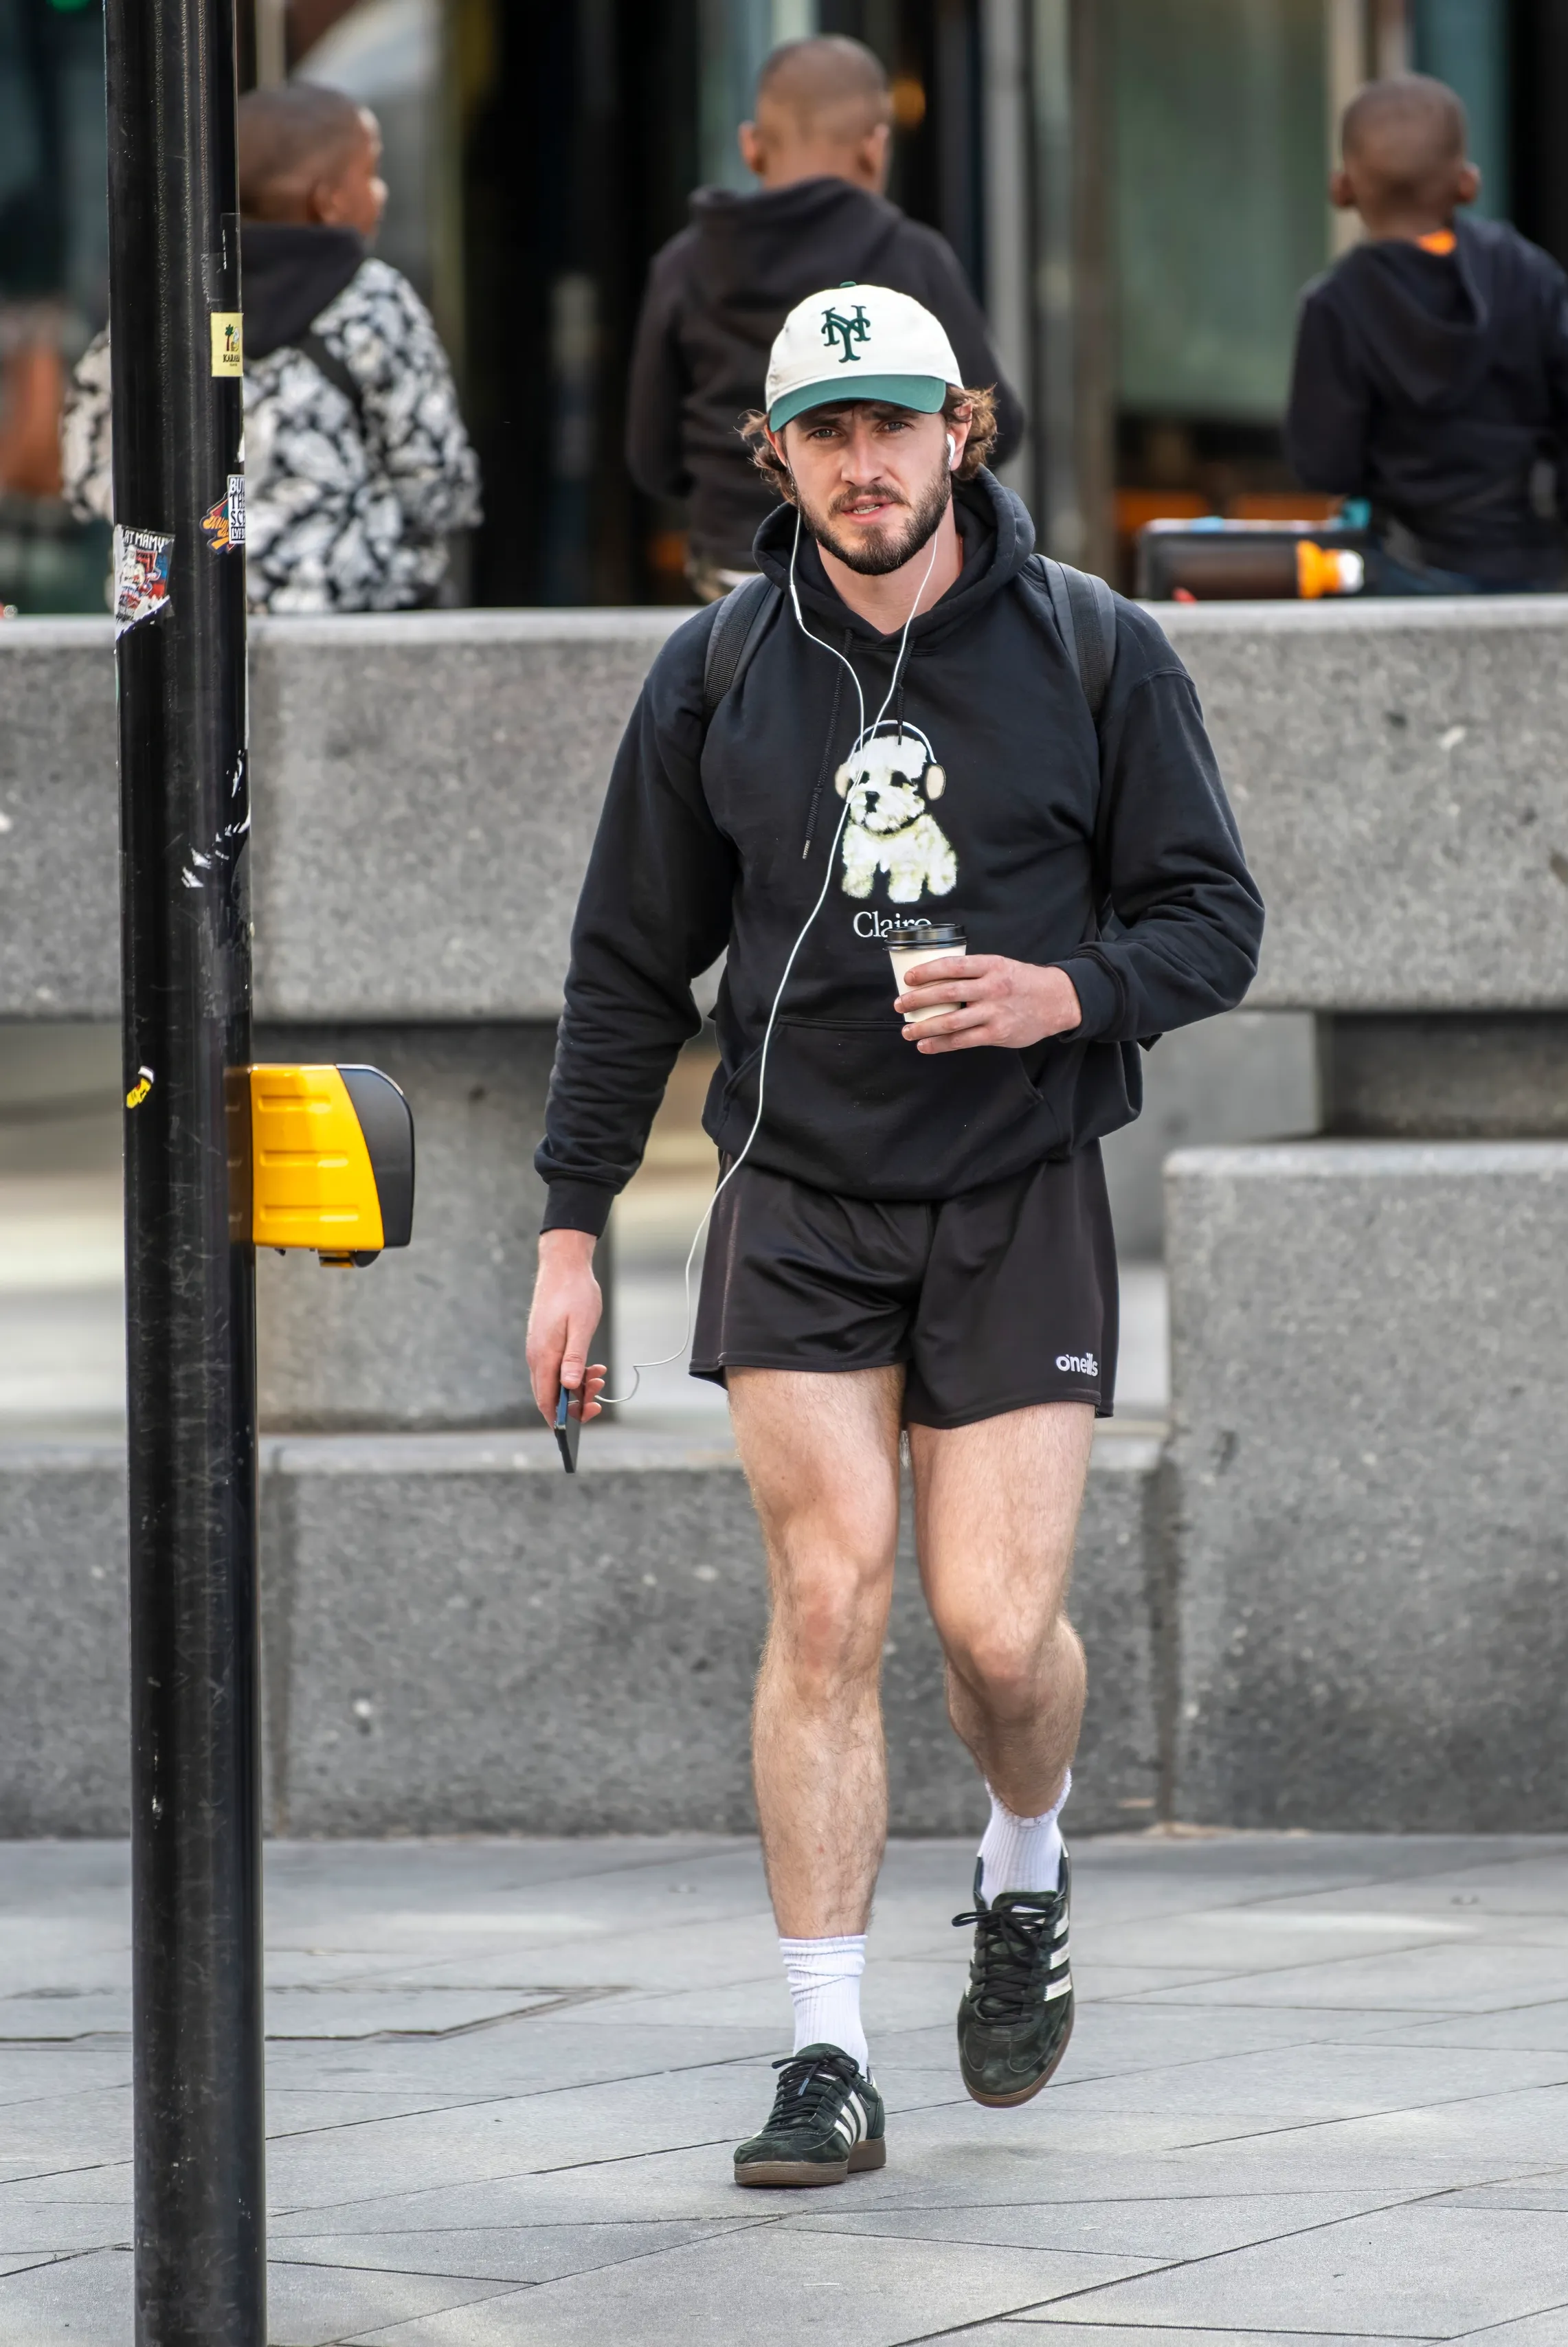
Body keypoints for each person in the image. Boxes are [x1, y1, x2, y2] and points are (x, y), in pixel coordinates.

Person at [527, 284, 1262, 2186]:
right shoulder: (714, 672)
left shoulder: (1094, 652)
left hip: (1016, 1189)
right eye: (827, 432)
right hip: (800, 1191)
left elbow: (1214, 923)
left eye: (898, 425)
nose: (867, 464)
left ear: (967, 429)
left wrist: (1063, 996)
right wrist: (568, 1233)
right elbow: (625, 970)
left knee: (996, 1631)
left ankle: (1026, 1860)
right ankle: (826, 2049)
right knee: (832, 1599)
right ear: (779, 455)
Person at [627, 34, 1024, 600]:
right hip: (885, 576)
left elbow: (653, 461)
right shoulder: (912, 257)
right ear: (876, 146)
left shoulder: (685, 266)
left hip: (731, 580)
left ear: (752, 146)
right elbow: (996, 426)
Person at [61, 83, 479, 613]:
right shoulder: (371, 301)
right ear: (327, 202)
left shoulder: (159, 304)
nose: (381, 192)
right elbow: (436, 481)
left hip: (170, 616)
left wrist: (196, 534)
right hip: (346, 620)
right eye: (370, 174)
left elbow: (85, 462)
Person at [1285, 74, 1568, 595]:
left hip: (1406, 567)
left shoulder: (1334, 307)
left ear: (1342, 188)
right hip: (1538, 563)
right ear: (1468, 182)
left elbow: (1324, 464)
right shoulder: (1525, 273)